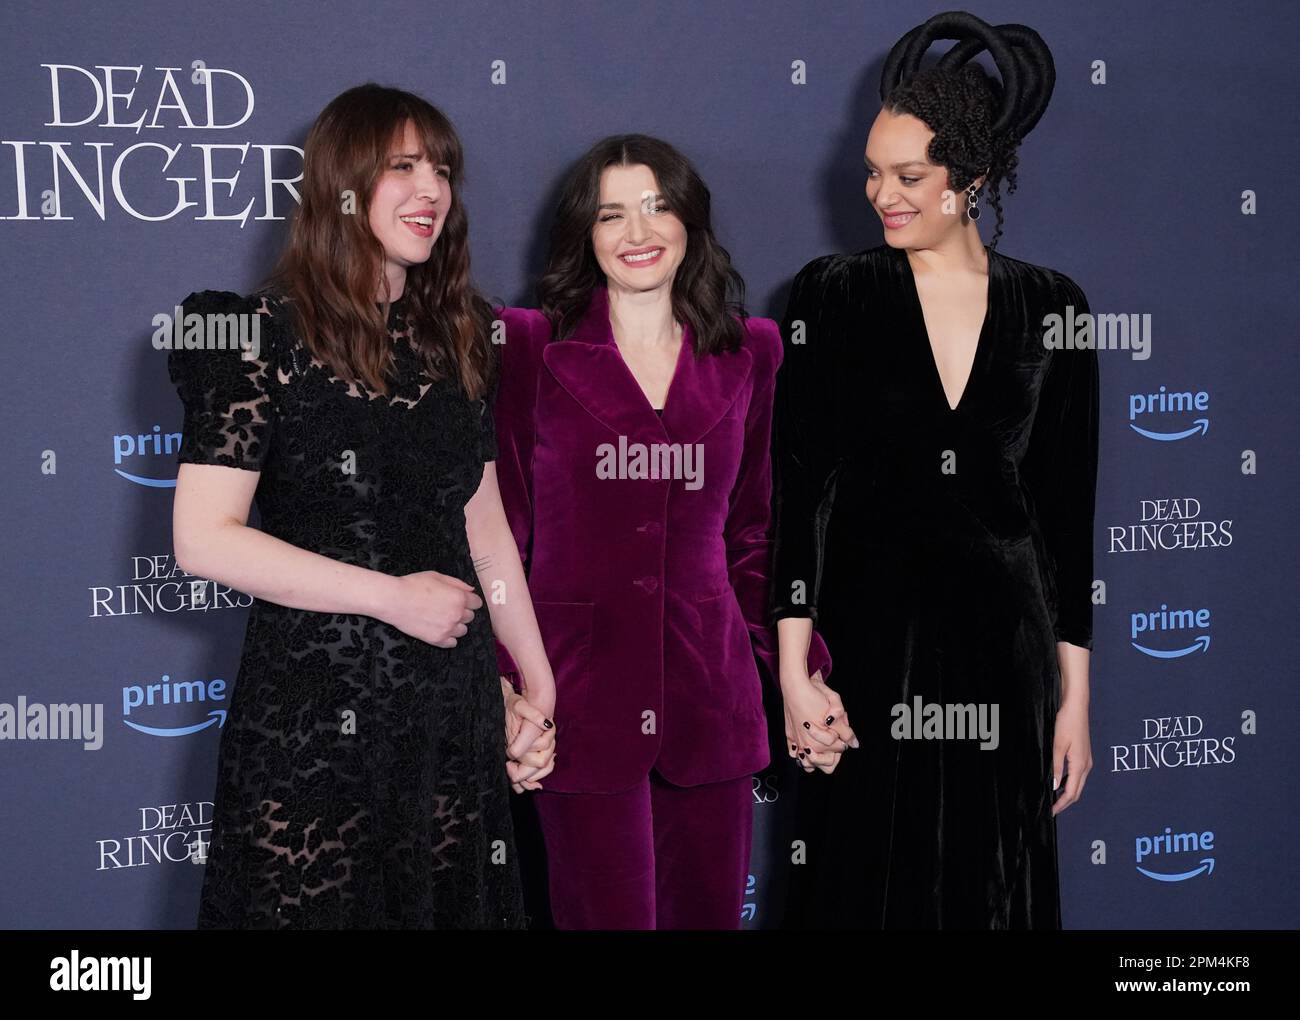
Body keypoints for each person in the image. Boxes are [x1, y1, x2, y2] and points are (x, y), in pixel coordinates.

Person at [168, 83, 556, 929]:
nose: (432, 190)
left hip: (446, 715)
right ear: (341, 182)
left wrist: (535, 682)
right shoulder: (252, 339)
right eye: (403, 166)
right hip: (311, 723)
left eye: (443, 170)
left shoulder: (460, 342)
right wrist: (391, 596)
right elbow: (204, 541)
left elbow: (483, 533)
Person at [772, 12, 1098, 929]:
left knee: (993, 895)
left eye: (909, 176)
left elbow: (1067, 513)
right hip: (867, 646)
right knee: (861, 887)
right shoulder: (833, 293)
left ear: (975, 177)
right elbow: (800, 493)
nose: (883, 194)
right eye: (873, 172)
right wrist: (797, 673)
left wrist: (1075, 702)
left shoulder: (1054, 306)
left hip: (1008, 650)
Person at [492, 134, 833, 929]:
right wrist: (508, 686)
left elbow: (754, 536)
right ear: (586, 233)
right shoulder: (530, 347)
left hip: (711, 698)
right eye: (611, 214)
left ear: (690, 221)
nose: (636, 231)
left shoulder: (752, 351)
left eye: (657, 205)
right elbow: (501, 535)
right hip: (575, 699)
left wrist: (802, 667)